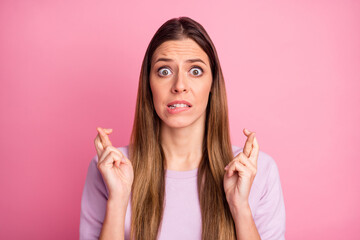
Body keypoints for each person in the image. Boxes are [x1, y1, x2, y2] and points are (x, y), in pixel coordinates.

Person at [79, 16, 286, 240]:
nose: (179, 86)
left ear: (212, 84)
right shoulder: (109, 169)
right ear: (148, 84)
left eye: (195, 71)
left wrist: (240, 208)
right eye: (164, 71)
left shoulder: (257, 171)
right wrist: (118, 200)